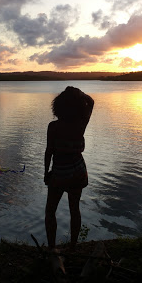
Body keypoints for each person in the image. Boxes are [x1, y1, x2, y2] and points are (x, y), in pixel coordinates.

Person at [44, 86, 94, 251]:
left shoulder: (54, 127)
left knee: (50, 211)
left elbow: (49, 151)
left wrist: (46, 172)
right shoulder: (81, 123)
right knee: (75, 209)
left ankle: (52, 248)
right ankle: (73, 245)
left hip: (59, 172)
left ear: (59, 106)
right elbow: (91, 101)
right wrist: (79, 94)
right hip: (78, 171)